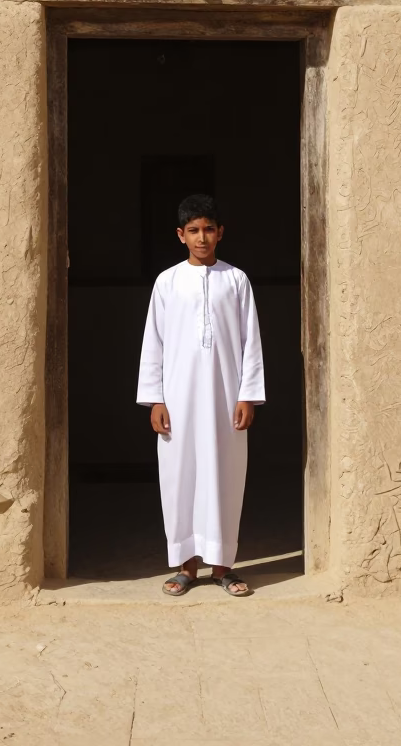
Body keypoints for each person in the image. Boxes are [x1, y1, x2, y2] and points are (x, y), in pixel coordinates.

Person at [137, 193, 265, 597]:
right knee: (180, 478)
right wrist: (155, 398)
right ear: (181, 235)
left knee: (224, 477)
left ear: (220, 232)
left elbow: (251, 343)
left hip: (225, 401)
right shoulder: (167, 282)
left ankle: (224, 567)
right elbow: (153, 343)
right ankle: (186, 567)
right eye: (193, 230)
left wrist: (248, 395)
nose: (202, 237)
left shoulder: (236, 280)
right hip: (177, 401)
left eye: (209, 229)